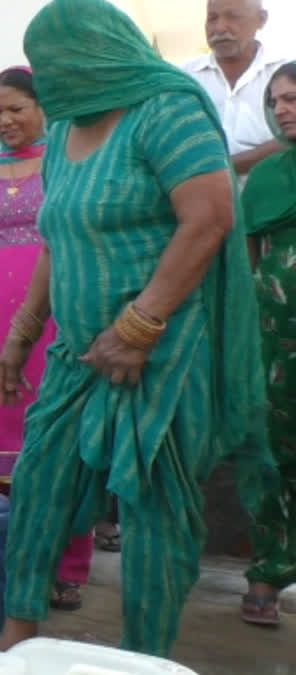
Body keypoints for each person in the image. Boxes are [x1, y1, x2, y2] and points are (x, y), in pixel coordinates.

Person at [0, 1, 275, 670]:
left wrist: (139, 324)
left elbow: (208, 216)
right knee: (38, 483)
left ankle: (143, 655)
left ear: (96, 53)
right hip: (78, 352)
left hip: (165, 354)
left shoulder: (166, 108)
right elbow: (58, 241)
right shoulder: (63, 130)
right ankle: (18, 632)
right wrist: (20, 337)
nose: (49, 78)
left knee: (154, 512)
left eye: (57, 64)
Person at [0, 66, 94, 611]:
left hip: (58, 319)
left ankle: (67, 566)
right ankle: (7, 558)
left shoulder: (71, 160)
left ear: (43, 107)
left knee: (60, 435)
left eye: (16, 108)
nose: (6, 120)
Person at [240, 60, 296, 627]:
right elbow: (250, 264)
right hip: (278, 338)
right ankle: (267, 572)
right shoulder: (268, 178)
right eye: (276, 101)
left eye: (294, 99)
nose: (283, 109)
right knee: (273, 451)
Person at [183, 0, 287, 177]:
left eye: (233, 16)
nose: (220, 28)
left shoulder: (287, 73)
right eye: (212, 18)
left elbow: (291, 141)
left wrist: (219, 168)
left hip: (276, 197)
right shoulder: (185, 78)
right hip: (202, 199)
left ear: (261, 19)